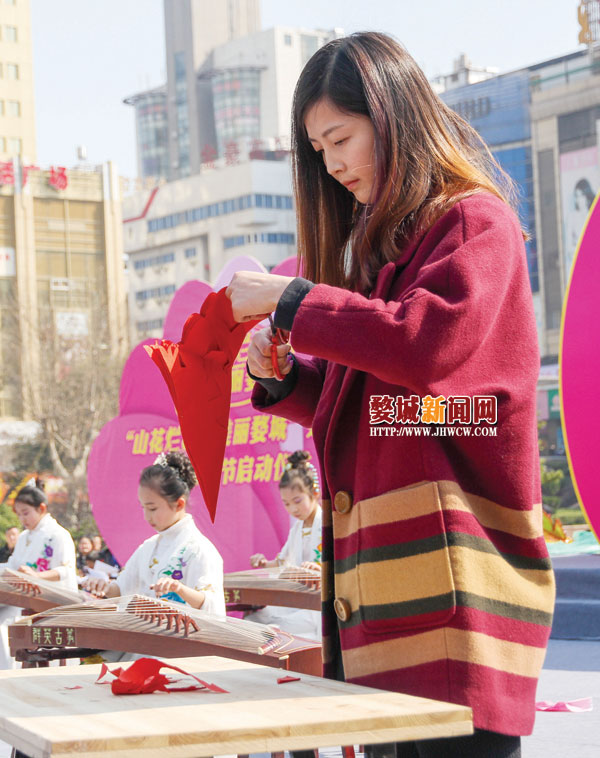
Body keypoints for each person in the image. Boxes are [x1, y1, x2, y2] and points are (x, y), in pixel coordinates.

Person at [226, 32, 555, 758]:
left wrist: (293, 300)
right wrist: (287, 380)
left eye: (341, 138)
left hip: (455, 593)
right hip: (388, 597)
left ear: (393, 117)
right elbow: (393, 411)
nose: (332, 164)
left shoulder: (474, 222)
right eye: (318, 150)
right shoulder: (387, 254)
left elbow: (424, 350)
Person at [84, 451, 225, 615]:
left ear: (179, 504)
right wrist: (104, 587)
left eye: (152, 508)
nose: (146, 516)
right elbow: (122, 589)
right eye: (143, 507)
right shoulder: (148, 547)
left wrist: (179, 589)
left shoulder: (200, 550)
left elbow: (212, 606)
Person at [1, 481, 77, 669]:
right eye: (19, 514)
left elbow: (66, 570)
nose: (22, 519)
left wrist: (36, 576)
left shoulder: (58, 534)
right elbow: (12, 565)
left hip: (52, 604)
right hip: (27, 602)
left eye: (25, 513)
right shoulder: (24, 537)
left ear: (41, 508)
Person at [247, 450, 322, 640]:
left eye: (297, 501)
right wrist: (264, 563)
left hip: (319, 601)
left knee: (271, 628)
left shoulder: (327, 525)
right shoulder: (297, 529)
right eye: (286, 504)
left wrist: (320, 569)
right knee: (252, 619)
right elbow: (282, 562)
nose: (293, 509)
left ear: (314, 493)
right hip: (298, 597)